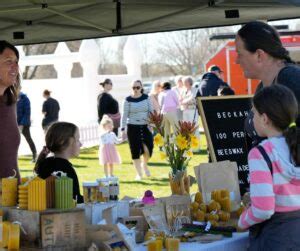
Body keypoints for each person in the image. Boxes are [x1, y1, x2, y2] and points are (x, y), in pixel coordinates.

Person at [238, 85, 300, 250]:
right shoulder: (294, 146)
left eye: (255, 113)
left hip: (275, 239)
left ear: (264, 118)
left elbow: (263, 209)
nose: (253, 118)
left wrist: (242, 221)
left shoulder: (261, 153)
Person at [236, 21, 300, 149]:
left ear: (259, 55)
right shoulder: (263, 87)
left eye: (240, 54)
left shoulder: (292, 79)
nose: (236, 61)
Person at [34, 122, 84, 203]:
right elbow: (74, 199)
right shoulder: (65, 169)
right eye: (78, 140)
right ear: (63, 141)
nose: (81, 144)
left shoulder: (46, 163)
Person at [121, 80, 153, 181]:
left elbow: (151, 111)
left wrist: (151, 123)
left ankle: (144, 165)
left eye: (137, 87)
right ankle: (139, 174)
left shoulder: (146, 98)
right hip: (132, 127)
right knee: (135, 151)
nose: (135, 89)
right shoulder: (127, 100)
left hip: (145, 126)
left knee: (148, 148)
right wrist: (123, 129)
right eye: (133, 88)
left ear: (141, 87)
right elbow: (124, 115)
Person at [0, 40, 21, 180]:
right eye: (8, 61)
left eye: (16, 62)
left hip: (12, 197)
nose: (15, 67)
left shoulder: (10, 102)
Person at [17, 91, 37, 162]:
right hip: (14, 123)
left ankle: (35, 156)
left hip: (24, 124)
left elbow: (27, 112)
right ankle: (13, 157)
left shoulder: (25, 99)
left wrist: (22, 124)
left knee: (28, 139)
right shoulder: (12, 98)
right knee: (13, 141)